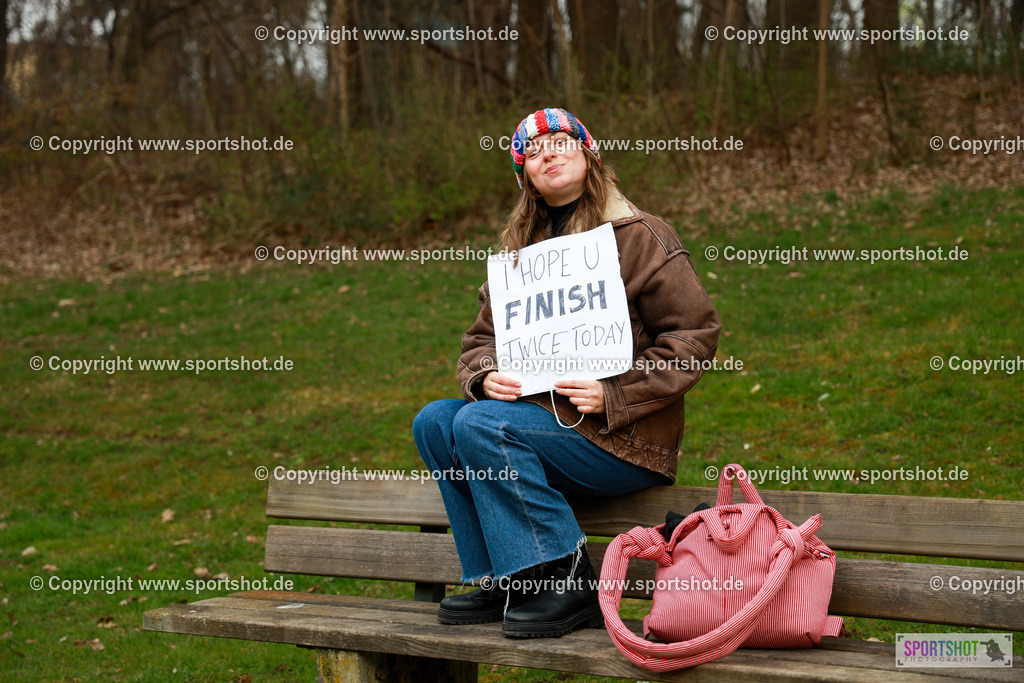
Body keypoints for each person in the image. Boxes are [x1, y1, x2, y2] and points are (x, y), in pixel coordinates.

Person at [413, 108, 721, 638]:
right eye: (531, 152)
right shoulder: (520, 259)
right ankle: (508, 578)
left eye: (559, 141)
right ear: (525, 177)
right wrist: (485, 378)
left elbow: (693, 337)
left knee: (479, 425)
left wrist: (615, 393)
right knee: (437, 421)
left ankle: (567, 578)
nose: (546, 153)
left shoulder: (641, 237)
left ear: (587, 153)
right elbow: (477, 345)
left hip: (622, 439)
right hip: (540, 431)